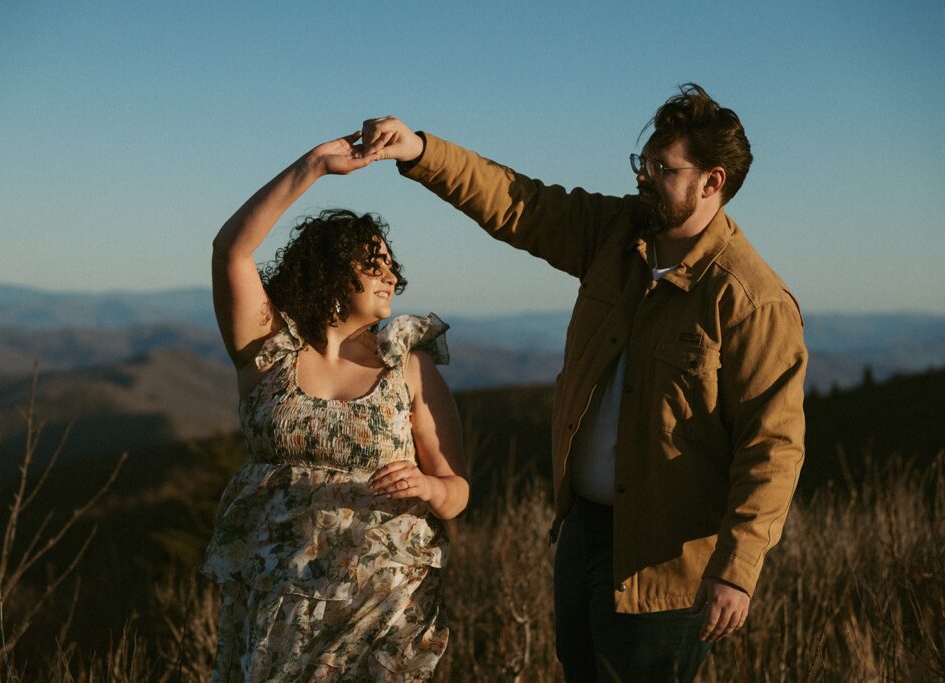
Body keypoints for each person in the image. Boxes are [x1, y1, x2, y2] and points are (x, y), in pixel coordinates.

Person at [359, 84, 807, 682]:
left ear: (712, 181)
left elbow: (773, 447)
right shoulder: (617, 234)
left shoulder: (750, 299)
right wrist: (418, 150)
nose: (643, 177)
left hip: (663, 561)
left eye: (660, 168)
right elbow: (521, 204)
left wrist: (736, 568)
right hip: (582, 531)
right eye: (641, 163)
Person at [200, 132, 469, 682]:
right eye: (374, 263)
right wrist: (316, 165)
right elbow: (231, 250)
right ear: (326, 270)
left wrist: (429, 488)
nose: (391, 275)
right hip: (281, 605)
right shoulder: (268, 352)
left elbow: (457, 490)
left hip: (385, 609)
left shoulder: (409, 366)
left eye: (392, 264)